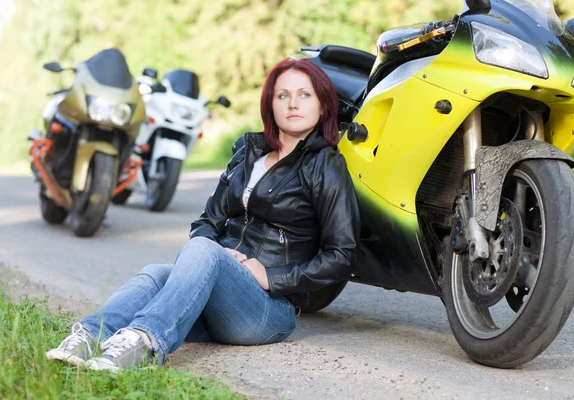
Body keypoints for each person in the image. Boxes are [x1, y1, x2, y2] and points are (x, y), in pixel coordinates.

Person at [46, 57, 361, 371]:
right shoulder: (249, 152)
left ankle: (144, 342)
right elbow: (207, 222)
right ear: (270, 104)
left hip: (267, 310)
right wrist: (219, 254)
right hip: (220, 299)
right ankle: (88, 336)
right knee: (157, 273)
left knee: (201, 252)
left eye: (305, 95)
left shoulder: (326, 167)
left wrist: (269, 276)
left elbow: (342, 255)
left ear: (323, 105)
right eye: (283, 95)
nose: (293, 103)